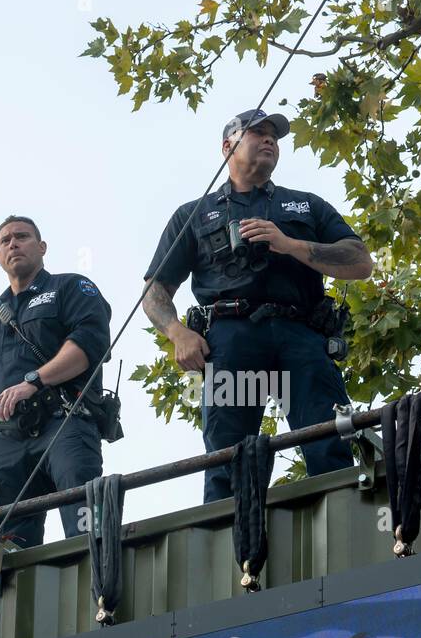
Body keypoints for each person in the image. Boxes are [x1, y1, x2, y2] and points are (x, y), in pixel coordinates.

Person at [141, 108, 374, 502]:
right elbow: (154, 290)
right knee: (227, 455)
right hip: (231, 340)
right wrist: (178, 333)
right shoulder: (193, 214)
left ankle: (343, 525)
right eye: (257, 133)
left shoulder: (305, 205)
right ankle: (224, 548)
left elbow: (360, 262)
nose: (270, 140)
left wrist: (289, 244)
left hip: (301, 335)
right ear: (227, 146)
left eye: (275, 136)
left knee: (327, 439)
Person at [0, 215, 111, 546]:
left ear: (42, 246)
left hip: (63, 423)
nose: (13, 244)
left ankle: (101, 590)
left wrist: (33, 381)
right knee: (3, 550)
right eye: (4, 241)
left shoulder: (70, 287)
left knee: (87, 525)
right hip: (7, 443)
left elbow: (89, 346)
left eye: (21, 236)